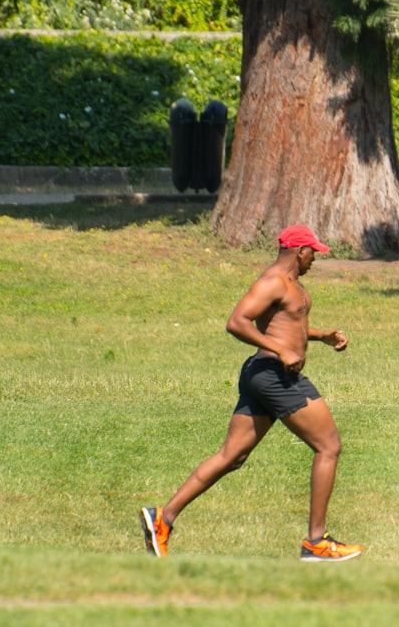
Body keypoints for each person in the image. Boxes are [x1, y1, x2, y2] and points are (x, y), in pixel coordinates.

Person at [140, 224, 363, 562]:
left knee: (233, 455)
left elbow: (288, 326)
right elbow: (237, 322)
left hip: (264, 375)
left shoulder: (291, 285)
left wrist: (321, 336)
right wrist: (281, 350)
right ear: (298, 251)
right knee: (328, 445)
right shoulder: (273, 281)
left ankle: (163, 518)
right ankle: (316, 541)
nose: (314, 260)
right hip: (274, 376)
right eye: (312, 253)